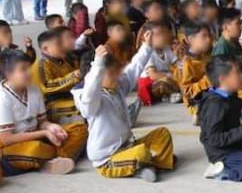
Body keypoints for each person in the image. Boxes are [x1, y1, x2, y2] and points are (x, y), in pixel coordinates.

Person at [74, 43, 176, 182]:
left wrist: (147, 46)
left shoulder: (116, 88)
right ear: (98, 77)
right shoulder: (91, 101)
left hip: (127, 146)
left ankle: (148, 166)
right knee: (142, 152)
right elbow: (90, 92)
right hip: (107, 159)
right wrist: (98, 63)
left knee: (162, 134)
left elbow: (134, 68)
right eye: (112, 74)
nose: (118, 76)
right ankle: (147, 165)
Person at [0, 49, 79, 175]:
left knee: (78, 129)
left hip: (34, 137)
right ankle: (53, 157)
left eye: (29, 67)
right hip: (6, 146)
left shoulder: (33, 90)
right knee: (34, 149)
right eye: (23, 69)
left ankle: (49, 161)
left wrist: (51, 127)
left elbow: (42, 122)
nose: (29, 72)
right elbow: (6, 139)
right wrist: (44, 133)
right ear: (8, 74)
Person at [31, 29, 89, 150]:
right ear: (45, 49)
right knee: (82, 109)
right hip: (51, 105)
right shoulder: (42, 64)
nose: (62, 47)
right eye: (58, 44)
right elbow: (46, 86)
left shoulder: (62, 60)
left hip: (67, 97)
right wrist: (73, 76)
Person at [135, 22, 183, 105]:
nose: (163, 37)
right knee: (163, 83)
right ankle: (174, 94)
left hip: (168, 78)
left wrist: (184, 65)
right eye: (158, 35)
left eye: (163, 33)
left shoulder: (166, 49)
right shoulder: (147, 52)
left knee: (185, 76)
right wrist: (173, 77)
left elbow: (178, 64)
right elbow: (153, 75)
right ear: (147, 37)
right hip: (151, 83)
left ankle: (170, 95)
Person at [180, 23, 214, 117]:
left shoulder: (207, 57)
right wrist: (207, 80)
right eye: (204, 36)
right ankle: (198, 112)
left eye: (209, 36)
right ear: (191, 39)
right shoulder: (187, 63)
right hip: (195, 100)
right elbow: (187, 92)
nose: (209, 39)